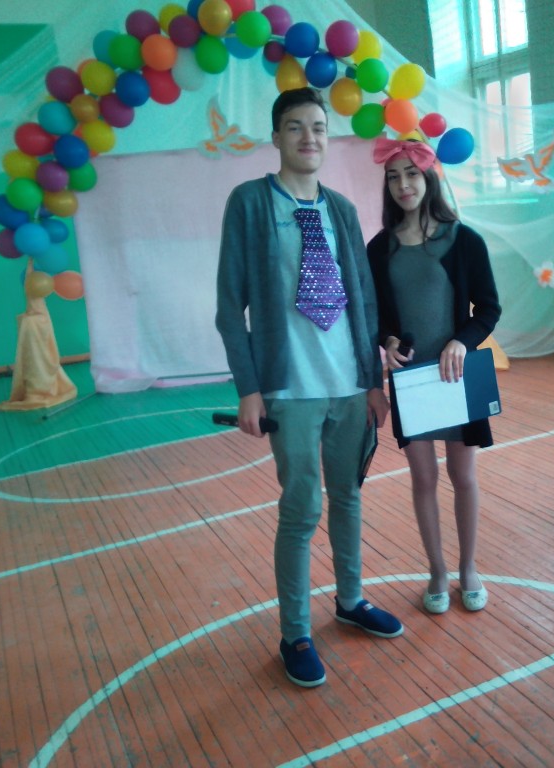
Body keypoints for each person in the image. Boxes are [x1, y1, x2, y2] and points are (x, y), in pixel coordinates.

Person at [215, 87, 403, 689]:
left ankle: (350, 600)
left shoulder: (341, 210)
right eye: (295, 127)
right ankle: (295, 632)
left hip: (349, 385)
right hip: (290, 390)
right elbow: (229, 307)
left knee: (348, 497)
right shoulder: (250, 202)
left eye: (318, 127)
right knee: (302, 510)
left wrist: (372, 381)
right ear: (276, 137)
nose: (308, 138)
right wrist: (249, 388)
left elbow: (363, 300)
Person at [366, 138, 501, 615]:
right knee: (423, 477)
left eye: (411, 174)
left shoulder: (464, 240)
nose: (403, 185)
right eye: (393, 177)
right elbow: (374, 316)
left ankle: (467, 568)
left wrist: (462, 340)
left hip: (457, 375)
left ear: (428, 178)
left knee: (463, 475)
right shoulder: (379, 248)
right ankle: (438, 571)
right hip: (411, 381)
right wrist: (387, 341)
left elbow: (488, 308)